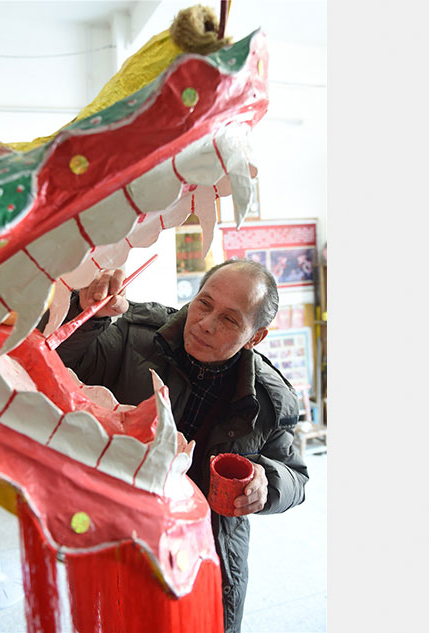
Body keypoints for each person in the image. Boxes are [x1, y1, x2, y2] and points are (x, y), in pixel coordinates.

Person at [50, 258, 309, 633]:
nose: (205, 323)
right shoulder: (137, 335)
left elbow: (296, 478)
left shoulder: (269, 400)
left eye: (229, 319)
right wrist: (87, 311)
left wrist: (267, 482)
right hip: (126, 530)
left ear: (255, 337)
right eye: (204, 303)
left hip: (210, 549)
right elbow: (57, 359)